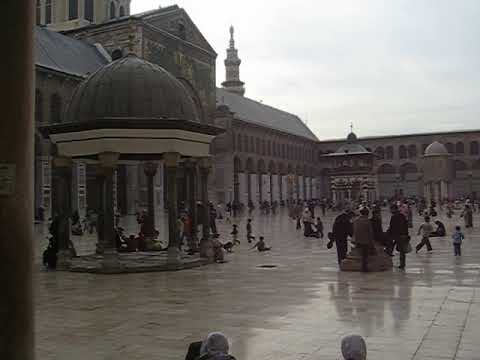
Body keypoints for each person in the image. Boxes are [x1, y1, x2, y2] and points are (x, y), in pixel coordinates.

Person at [386, 204, 410, 269]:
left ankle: (388, 263)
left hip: (397, 236)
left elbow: (392, 227)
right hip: (402, 235)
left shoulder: (394, 217)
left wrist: (389, 235)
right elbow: (406, 226)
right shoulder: (402, 216)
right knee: (402, 251)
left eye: (391, 209)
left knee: (390, 249)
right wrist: (406, 235)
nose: (390, 210)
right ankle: (402, 264)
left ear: (394, 209)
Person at [353, 207, 374, 272]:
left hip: (357, 240)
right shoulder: (367, 221)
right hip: (365, 241)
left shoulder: (356, 220)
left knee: (361, 255)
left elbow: (354, 230)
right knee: (365, 256)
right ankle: (364, 268)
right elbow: (370, 233)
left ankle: (361, 267)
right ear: (367, 214)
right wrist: (371, 242)